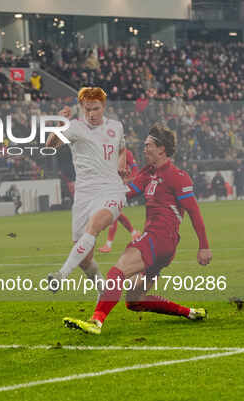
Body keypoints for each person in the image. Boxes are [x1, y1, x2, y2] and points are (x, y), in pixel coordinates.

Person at [63, 124, 211, 335]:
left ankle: (96, 322)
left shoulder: (177, 176)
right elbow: (126, 193)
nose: (144, 149)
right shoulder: (148, 173)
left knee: (117, 272)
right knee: (135, 300)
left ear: (161, 149)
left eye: (148, 145)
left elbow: (194, 213)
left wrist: (204, 247)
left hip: (159, 238)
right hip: (163, 246)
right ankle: (190, 312)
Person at [46, 87, 128, 295]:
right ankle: (103, 289)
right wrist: (59, 124)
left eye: (96, 109)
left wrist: (121, 163)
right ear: (81, 108)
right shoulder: (74, 127)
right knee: (85, 259)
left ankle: (61, 275)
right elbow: (50, 146)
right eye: (87, 109)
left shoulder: (116, 126)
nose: (92, 114)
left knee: (94, 226)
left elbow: (122, 148)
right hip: (84, 194)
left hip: (111, 190)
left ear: (104, 107)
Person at [99, 148, 142, 253]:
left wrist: (127, 180)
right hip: (111, 186)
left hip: (121, 187)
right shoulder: (108, 152)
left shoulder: (127, 153)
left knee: (114, 212)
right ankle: (134, 233)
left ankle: (108, 245)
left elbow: (136, 171)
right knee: (116, 213)